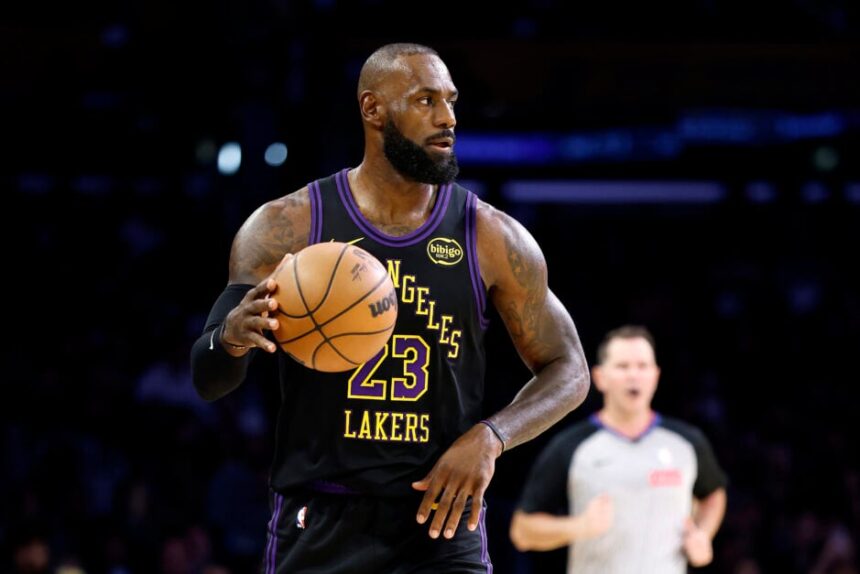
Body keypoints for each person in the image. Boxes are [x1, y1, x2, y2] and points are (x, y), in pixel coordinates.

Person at [190, 42, 590, 573]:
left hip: (442, 519)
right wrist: (232, 338)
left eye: (450, 101)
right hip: (321, 515)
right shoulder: (288, 226)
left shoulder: (491, 237)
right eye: (425, 101)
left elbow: (571, 369)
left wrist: (493, 437)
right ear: (373, 109)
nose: (447, 118)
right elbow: (209, 377)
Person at [509, 325, 727, 573]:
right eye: (623, 367)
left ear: (656, 375)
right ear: (600, 377)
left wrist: (702, 535)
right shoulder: (572, 446)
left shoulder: (686, 443)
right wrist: (579, 526)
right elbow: (522, 530)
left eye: (642, 366)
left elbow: (713, 493)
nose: (634, 375)